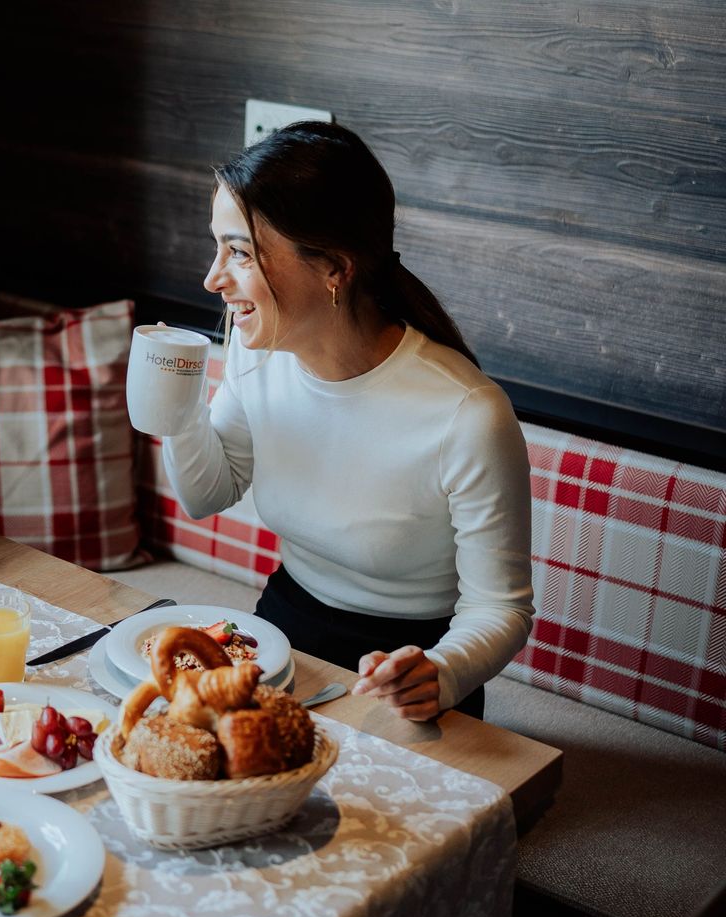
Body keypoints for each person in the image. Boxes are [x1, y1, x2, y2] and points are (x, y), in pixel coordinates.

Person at [161, 122, 533, 721]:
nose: (212, 279)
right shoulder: (256, 351)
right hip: (282, 625)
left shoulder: (469, 416)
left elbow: (502, 609)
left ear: (334, 268)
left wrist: (443, 670)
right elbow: (206, 493)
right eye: (218, 246)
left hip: (412, 659)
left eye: (240, 252)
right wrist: (176, 409)